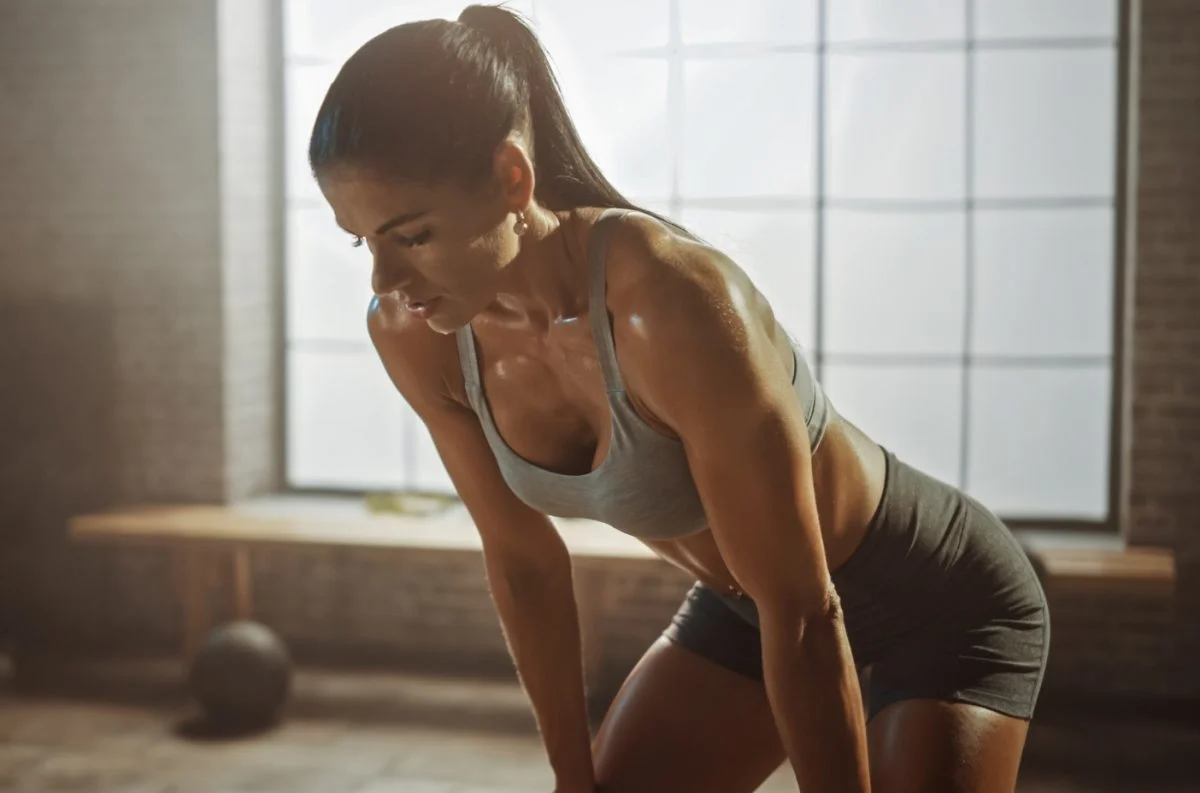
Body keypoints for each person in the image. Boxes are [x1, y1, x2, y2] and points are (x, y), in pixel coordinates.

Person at [307, 5, 1050, 792]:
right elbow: (524, 564)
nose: (384, 280)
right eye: (363, 241)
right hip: (746, 611)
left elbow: (806, 613)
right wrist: (570, 775)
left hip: (933, 599)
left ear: (511, 177)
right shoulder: (416, 332)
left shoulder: (668, 301)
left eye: (412, 236)